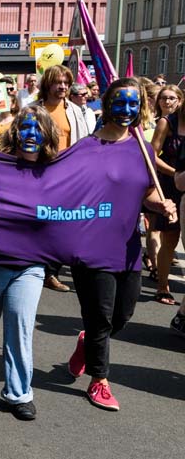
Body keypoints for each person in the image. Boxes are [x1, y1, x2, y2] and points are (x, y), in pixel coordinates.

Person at [69, 78, 175, 411]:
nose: (126, 110)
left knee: (123, 314)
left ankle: (88, 342)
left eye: (133, 104)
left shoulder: (142, 147)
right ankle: (99, 381)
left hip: (128, 246)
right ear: (107, 105)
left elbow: (146, 192)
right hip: (91, 246)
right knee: (100, 316)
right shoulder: (85, 148)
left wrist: (162, 205)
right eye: (120, 102)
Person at [0, 106, 60, 421]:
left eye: (38, 129)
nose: (31, 134)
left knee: (20, 326)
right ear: (15, 132)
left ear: (47, 135)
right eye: (26, 127)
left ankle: (19, 393)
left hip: (30, 266)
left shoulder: (56, 173)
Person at [39, 65, 91, 292]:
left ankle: (51, 271)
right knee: (41, 221)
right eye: (58, 82)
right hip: (40, 172)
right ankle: (37, 265)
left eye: (66, 83)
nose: (62, 87)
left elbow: (84, 142)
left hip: (68, 174)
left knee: (62, 222)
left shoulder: (75, 110)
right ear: (48, 84)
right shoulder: (35, 109)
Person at [150, 85, 185, 306]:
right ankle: (162, 286)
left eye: (173, 98)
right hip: (171, 186)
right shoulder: (167, 122)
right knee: (170, 238)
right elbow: (152, 155)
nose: (169, 101)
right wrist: (176, 174)